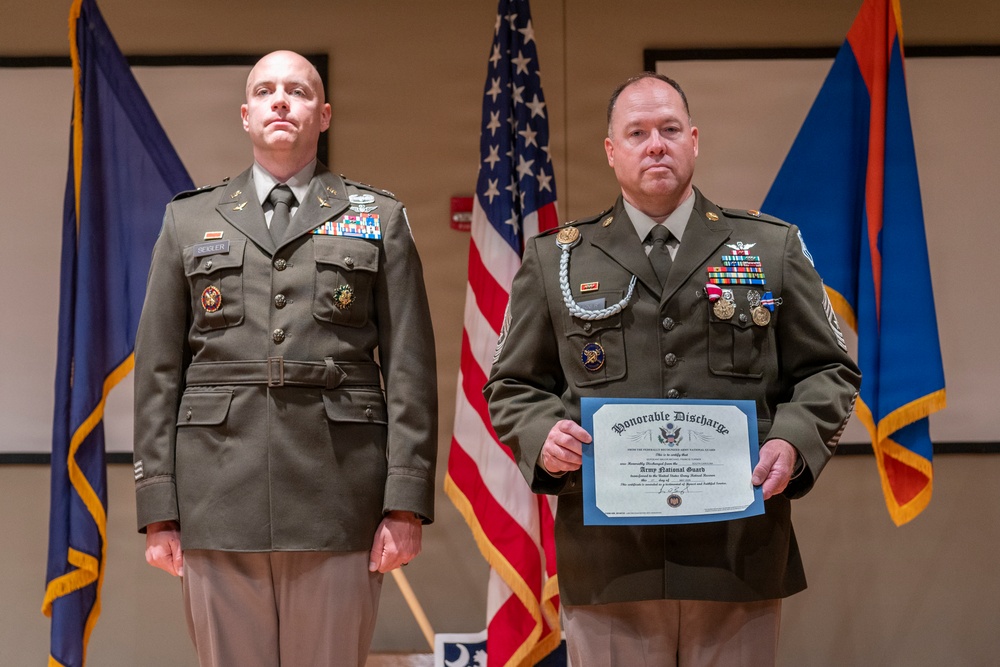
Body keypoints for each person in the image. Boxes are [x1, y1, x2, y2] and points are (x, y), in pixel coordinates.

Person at [484, 72, 861, 666]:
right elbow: (511, 385)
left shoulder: (770, 248)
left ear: (693, 139)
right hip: (610, 560)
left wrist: (793, 441)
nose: (655, 144)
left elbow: (830, 369)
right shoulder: (555, 257)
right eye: (636, 132)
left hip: (738, 554)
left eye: (668, 129)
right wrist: (540, 434)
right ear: (612, 152)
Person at [133, 50, 437, 667]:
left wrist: (405, 503)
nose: (280, 101)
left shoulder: (379, 218)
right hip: (217, 496)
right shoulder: (189, 219)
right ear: (245, 116)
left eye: (297, 92)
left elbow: (410, 368)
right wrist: (158, 509)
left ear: (322, 115)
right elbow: (159, 372)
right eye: (266, 91)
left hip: (339, 494)